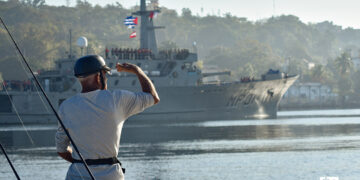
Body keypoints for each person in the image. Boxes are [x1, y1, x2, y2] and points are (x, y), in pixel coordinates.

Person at [55, 55, 159, 180]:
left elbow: (61, 150)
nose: (106, 78)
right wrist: (138, 70)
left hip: (76, 175)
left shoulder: (66, 107)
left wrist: (82, 162)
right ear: (99, 76)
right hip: (111, 176)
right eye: (105, 74)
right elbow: (152, 97)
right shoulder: (117, 99)